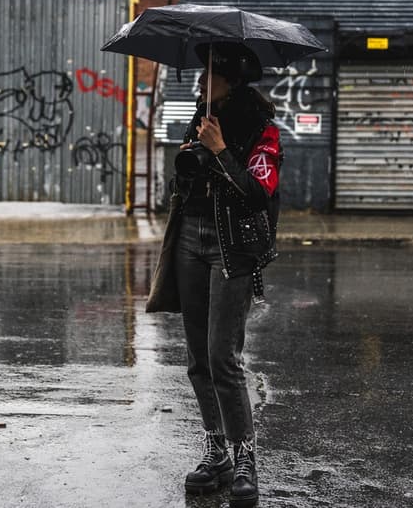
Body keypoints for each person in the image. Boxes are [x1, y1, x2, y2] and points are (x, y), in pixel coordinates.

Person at [148, 42, 281, 508]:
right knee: (198, 359)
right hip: (190, 240)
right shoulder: (199, 119)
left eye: (209, 77)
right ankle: (216, 450)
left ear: (230, 80)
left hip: (233, 248)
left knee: (223, 357)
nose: (201, 84)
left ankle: (245, 457)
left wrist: (220, 151)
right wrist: (190, 160)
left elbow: (257, 194)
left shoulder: (262, 130)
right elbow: (181, 187)